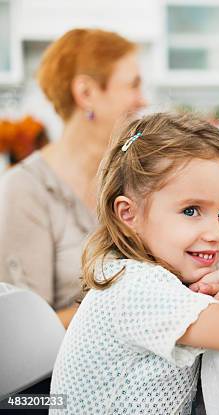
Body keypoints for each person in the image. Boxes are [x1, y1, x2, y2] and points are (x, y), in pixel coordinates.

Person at [50, 112, 219, 414]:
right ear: (129, 214)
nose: (215, 233)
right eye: (191, 211)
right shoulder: (137, 288)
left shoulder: (172, 281)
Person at [0, 28, 146, 327]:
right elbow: (26, 330)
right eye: (132, 85)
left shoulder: (136, 178)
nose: (142, 100)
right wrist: (135, 302)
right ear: (86, 93)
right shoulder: (25, 189)